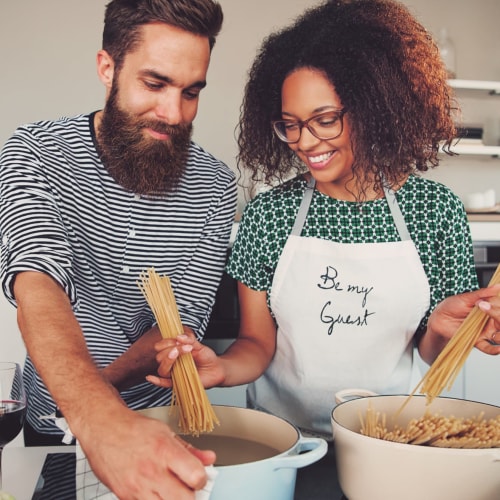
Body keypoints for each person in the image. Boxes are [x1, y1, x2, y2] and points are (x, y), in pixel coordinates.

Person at [149, 0, 500, 441]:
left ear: (377, 107)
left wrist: (450, 329)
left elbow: (432, 352)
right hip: (286, 439)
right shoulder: (271, 214)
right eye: (291, 124)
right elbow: (257, 345)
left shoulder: (434, 211)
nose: (304, 141)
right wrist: (219, 368)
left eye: (325, 120)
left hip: (392, 439)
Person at [0, 0, 237, 497]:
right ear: (107, 68)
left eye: (191, 92)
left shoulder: (215, 186)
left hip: (160, 422)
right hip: (59, 422)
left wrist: (106, 398)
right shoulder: (34, 152)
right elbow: (37, 288)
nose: (174, 113)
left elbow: (177, 325)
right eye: (155, 84)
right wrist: (97, 416)